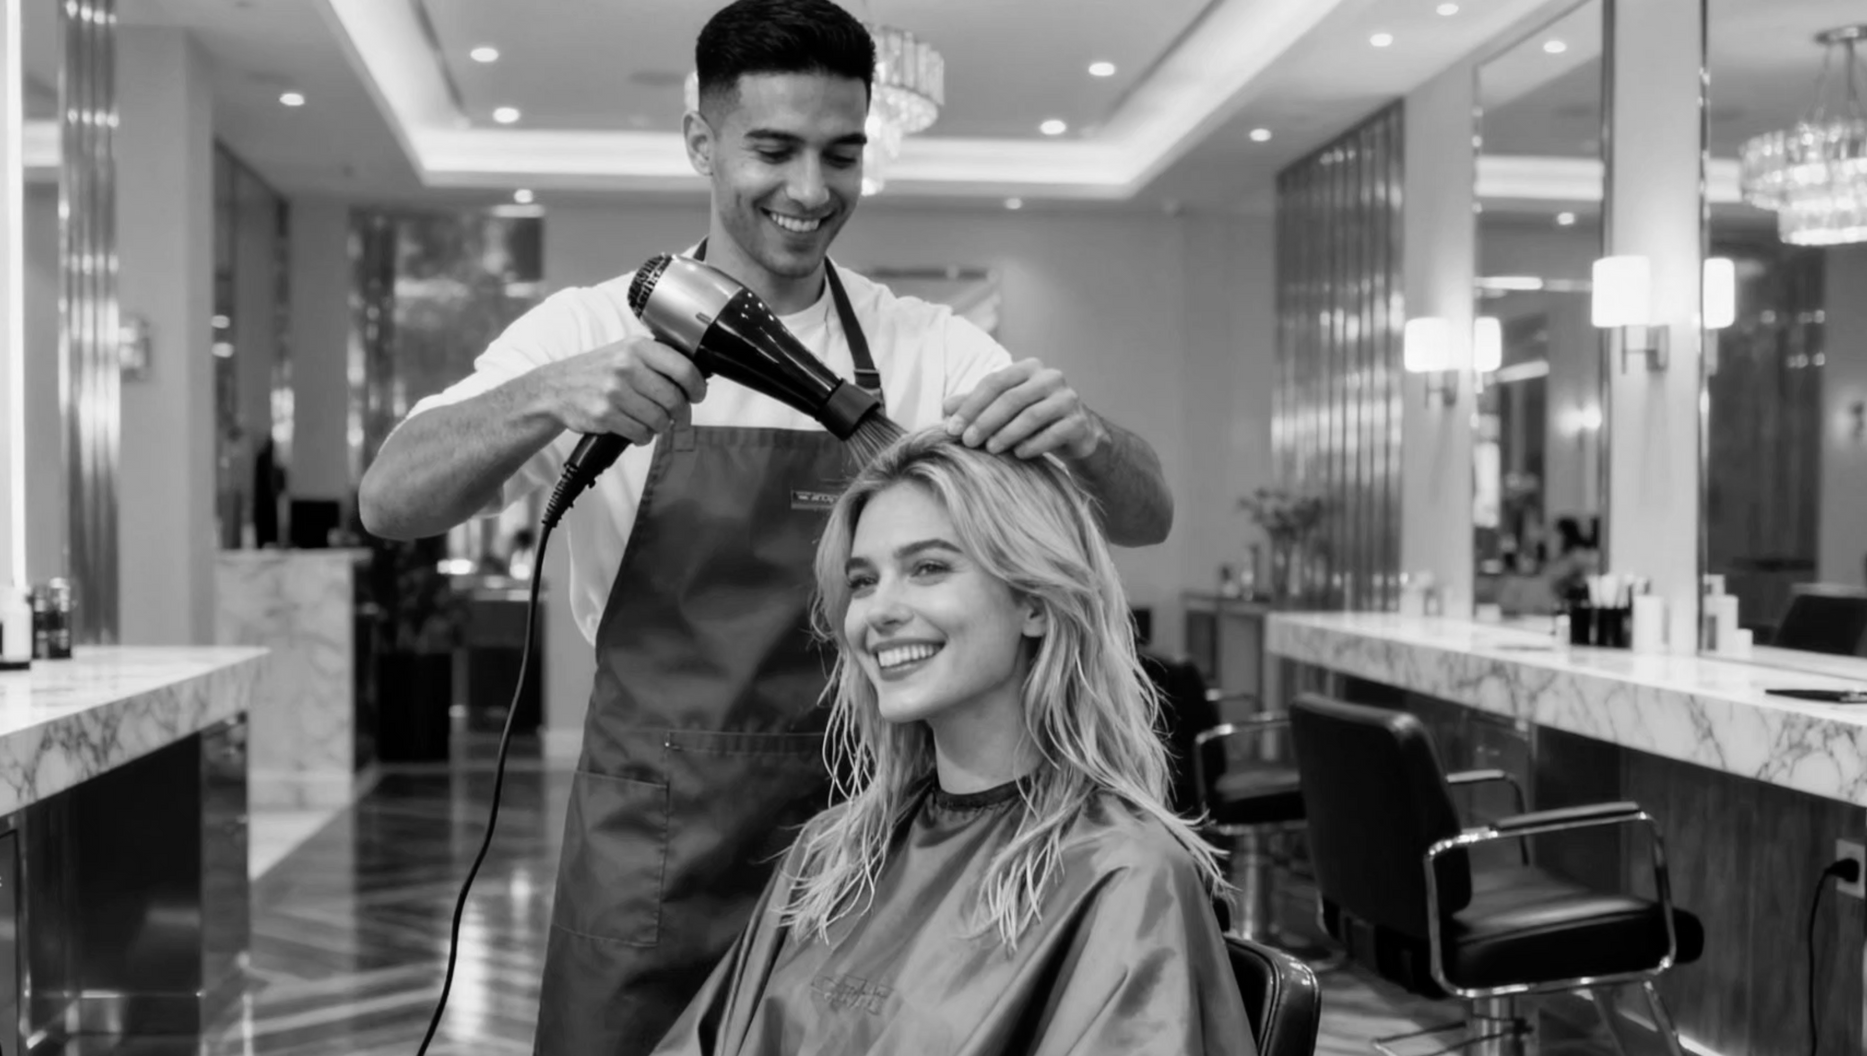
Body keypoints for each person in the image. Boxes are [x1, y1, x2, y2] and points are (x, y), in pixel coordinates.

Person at [354, 1, 1175, 1052]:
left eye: (842, 155)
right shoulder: (587, 331)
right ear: (700, 141)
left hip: (872, 827)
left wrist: (1088, 438)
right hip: (655, 840)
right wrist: (545, 398)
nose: (811, 191)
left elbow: (1145, 517)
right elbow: (389, 498)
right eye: (774, 150)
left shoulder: (928, 348)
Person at [652, 429, 1253, 1055]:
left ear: (1036, 603)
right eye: (862, 581)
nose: (878, 610)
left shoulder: (1124, 876)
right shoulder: (831, 855)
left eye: (928, 568)